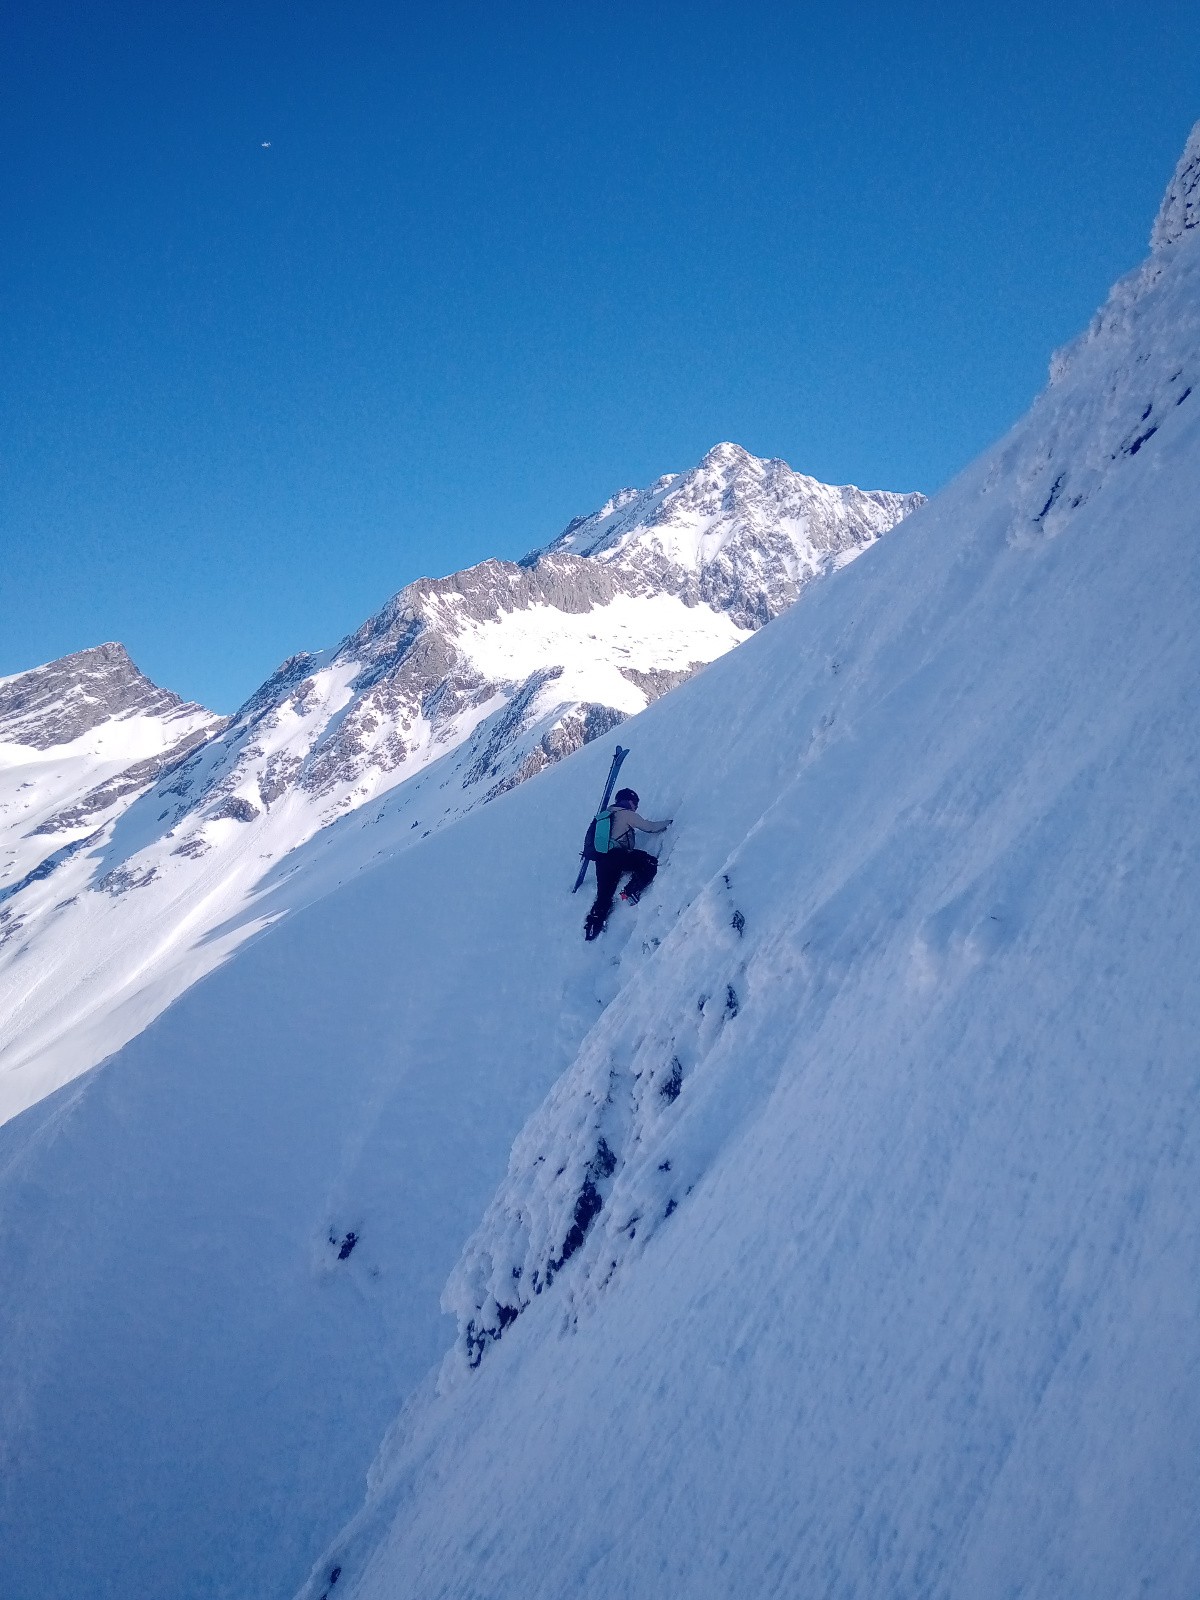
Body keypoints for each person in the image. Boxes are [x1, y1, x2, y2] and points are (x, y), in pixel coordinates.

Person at [584, 788, 672, 940]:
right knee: (649, 863)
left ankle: (592, 927)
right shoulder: (625, 813)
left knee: (604, 896)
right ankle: (630, 891)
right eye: (635, 803)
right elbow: (650, 827)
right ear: (628, 801)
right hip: (618, 856)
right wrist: (671, 823)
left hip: (601, 860)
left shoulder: (606, 814)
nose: (636, 806)